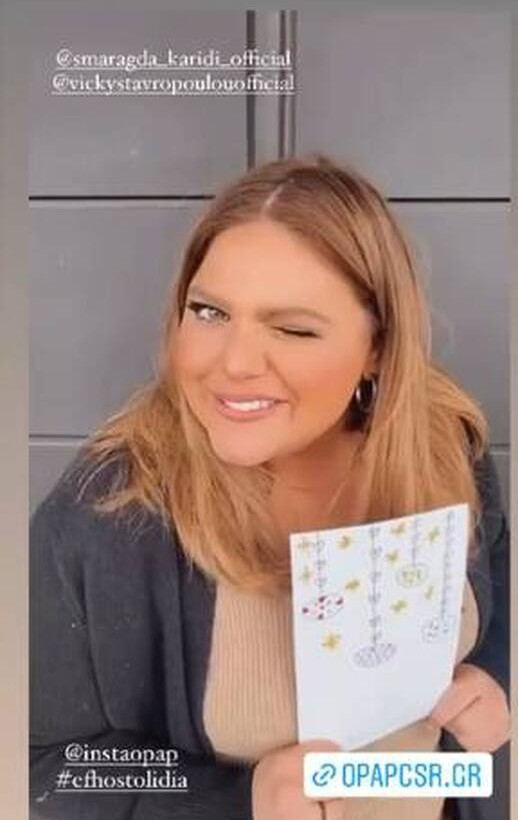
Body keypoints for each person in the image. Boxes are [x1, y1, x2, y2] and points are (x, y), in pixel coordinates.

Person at [30, 155, 510, 820]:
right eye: (209, 312)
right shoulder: (105, 512)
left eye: (292, 329)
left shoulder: (444, 445)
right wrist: (237, 799)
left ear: (378, 347)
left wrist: (495, 680)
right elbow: (45, 767)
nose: (234, 363)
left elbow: (494, 604)